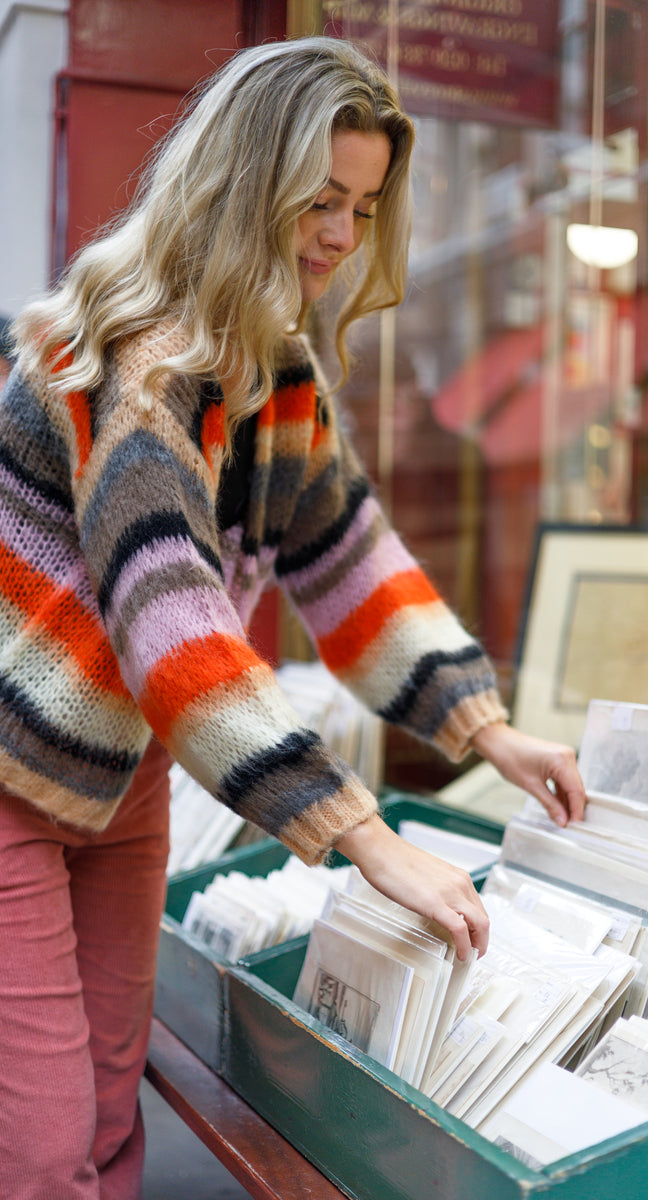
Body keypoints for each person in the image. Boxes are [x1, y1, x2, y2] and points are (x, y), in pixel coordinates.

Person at [0, 36, 585, 1199]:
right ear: (242, 185)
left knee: (113, 1123)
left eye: (363, 208)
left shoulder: (278, 374)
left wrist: (483, 730)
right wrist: (363, 839)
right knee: (46, 1149)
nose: (340, 234)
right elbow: (168, 620)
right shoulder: (135, 361)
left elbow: (350, 562)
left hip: (124, 789)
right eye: (320, 199)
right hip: (11, 783)